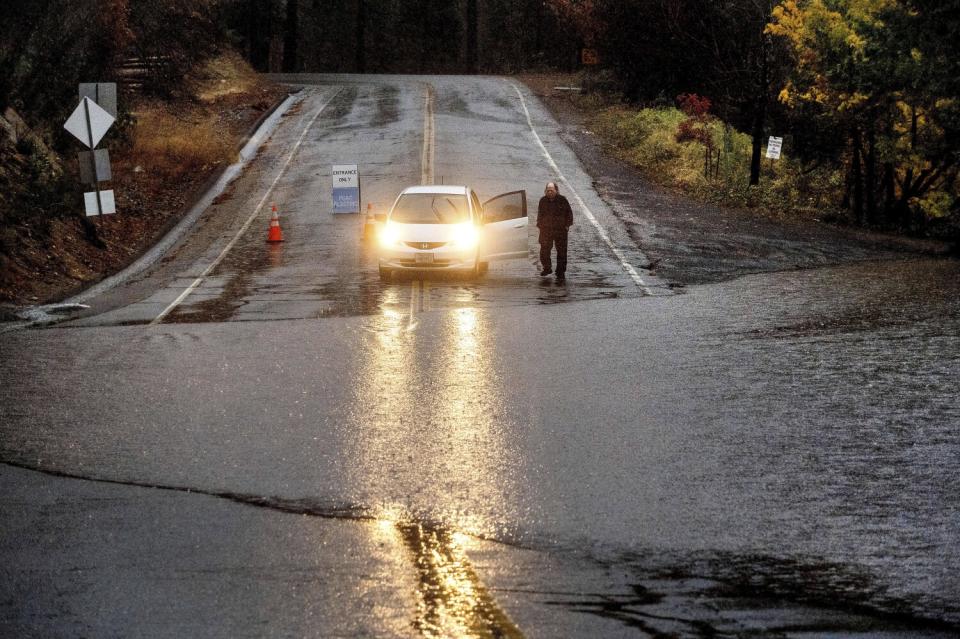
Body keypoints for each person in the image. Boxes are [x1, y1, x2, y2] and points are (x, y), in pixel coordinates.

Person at [536, 181, 573, 281]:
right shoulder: (542, 201)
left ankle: (560, 272)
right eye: (548, 191)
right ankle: (547, 268)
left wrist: (567, 225)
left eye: (552, 190)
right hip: (546, 230)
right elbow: (540, 214)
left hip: (560, 230)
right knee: (544, 250)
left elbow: (569, 213)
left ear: (556, 190)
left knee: (561, 252)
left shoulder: (562, 200)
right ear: (545, 191)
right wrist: (540, 225)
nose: (550, 192)